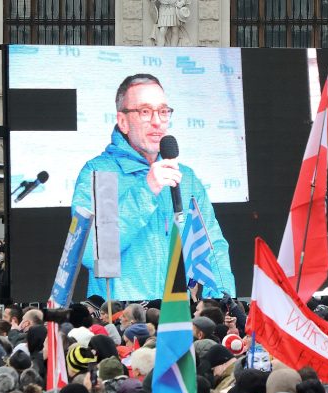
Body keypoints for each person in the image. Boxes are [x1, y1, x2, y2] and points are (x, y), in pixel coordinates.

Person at [73, 73, 235, 300]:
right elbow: (92, 253)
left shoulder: (185, 177)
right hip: (125, 318)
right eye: (145, 112)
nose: (157, 121)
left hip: (178, 316)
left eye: (163, 111)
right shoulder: (101, 173)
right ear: (123, 121)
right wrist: (146, 190)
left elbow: (211, 246)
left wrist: (221, 299)